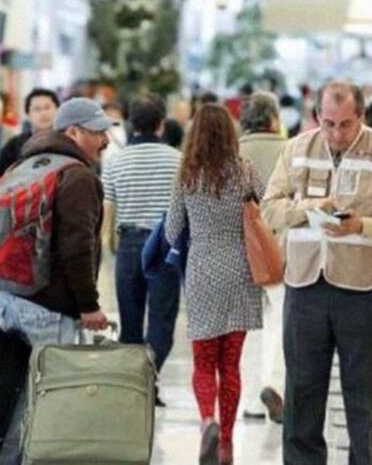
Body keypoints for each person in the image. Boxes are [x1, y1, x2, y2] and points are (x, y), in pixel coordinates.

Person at [262, 81, 372, 465]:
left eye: (346, 124)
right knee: (302, 392)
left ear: (361, 116)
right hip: (305, 287)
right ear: (317, 116)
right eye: (328, 123)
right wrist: (307, 208)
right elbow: (270, 209)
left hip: (364, 288)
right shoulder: (296, 149)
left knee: (364, 398)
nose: (336, 134)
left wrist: (362, 226)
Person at [0, 97, 111, 465]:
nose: (105, 141)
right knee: (48, 403)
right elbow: (76, 248)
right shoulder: (77, 176)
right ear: (73, 132)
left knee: (15, 399)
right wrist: (88, 305)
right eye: (98, 132)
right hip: (49, 309)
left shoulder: (22, 167)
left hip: (8, 301)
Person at [165, 104, 264, 465]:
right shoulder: (245, 171)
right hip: (240, 269)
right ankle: (225, 440)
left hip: (203, 268)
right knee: (231, 363)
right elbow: (263, 212)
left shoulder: (187, 175)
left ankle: (207, 418)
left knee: (203, 360)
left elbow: (172, 229)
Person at [102, 94, 181, 406]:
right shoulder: (178, 160)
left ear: (131, 125)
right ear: (161, 125)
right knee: (162, 320)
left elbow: (107, 211)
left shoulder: (114, 162)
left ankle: (134, 386)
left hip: (130, 246)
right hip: (165, 245)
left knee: (130, 321)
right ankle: (148, 379)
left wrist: (103, 253)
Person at [236, 91, 289, 423]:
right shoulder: (291, 150)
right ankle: (276, 386)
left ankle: (251, 402)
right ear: (273, 119)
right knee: (282, 320)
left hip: (241, 248)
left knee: (249, 327)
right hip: (282, 247)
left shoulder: (233, 154)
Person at [0, 88, 59, 181]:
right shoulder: (14, 145)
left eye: (47, 108)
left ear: (57, 110)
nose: (43, 113)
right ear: (28, 114)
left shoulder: (67, 142)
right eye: (37, 109)